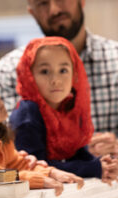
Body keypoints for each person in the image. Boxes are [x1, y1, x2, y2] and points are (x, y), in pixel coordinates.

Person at [0, 0, 118, 157]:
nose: (54, 10)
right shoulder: (10, 68)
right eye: (43, 3)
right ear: (32, 13)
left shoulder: (116, 59)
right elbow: (5, 148)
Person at [9, 37, 118, 185]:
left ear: (74, 73)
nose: (56, 79)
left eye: (63, 70)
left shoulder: (68, 106)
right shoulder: (27, 113)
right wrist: (93, 168)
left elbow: (77, 154)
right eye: (45, 71)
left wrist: (105, 165)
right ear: (29, 75)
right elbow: (37, 167)